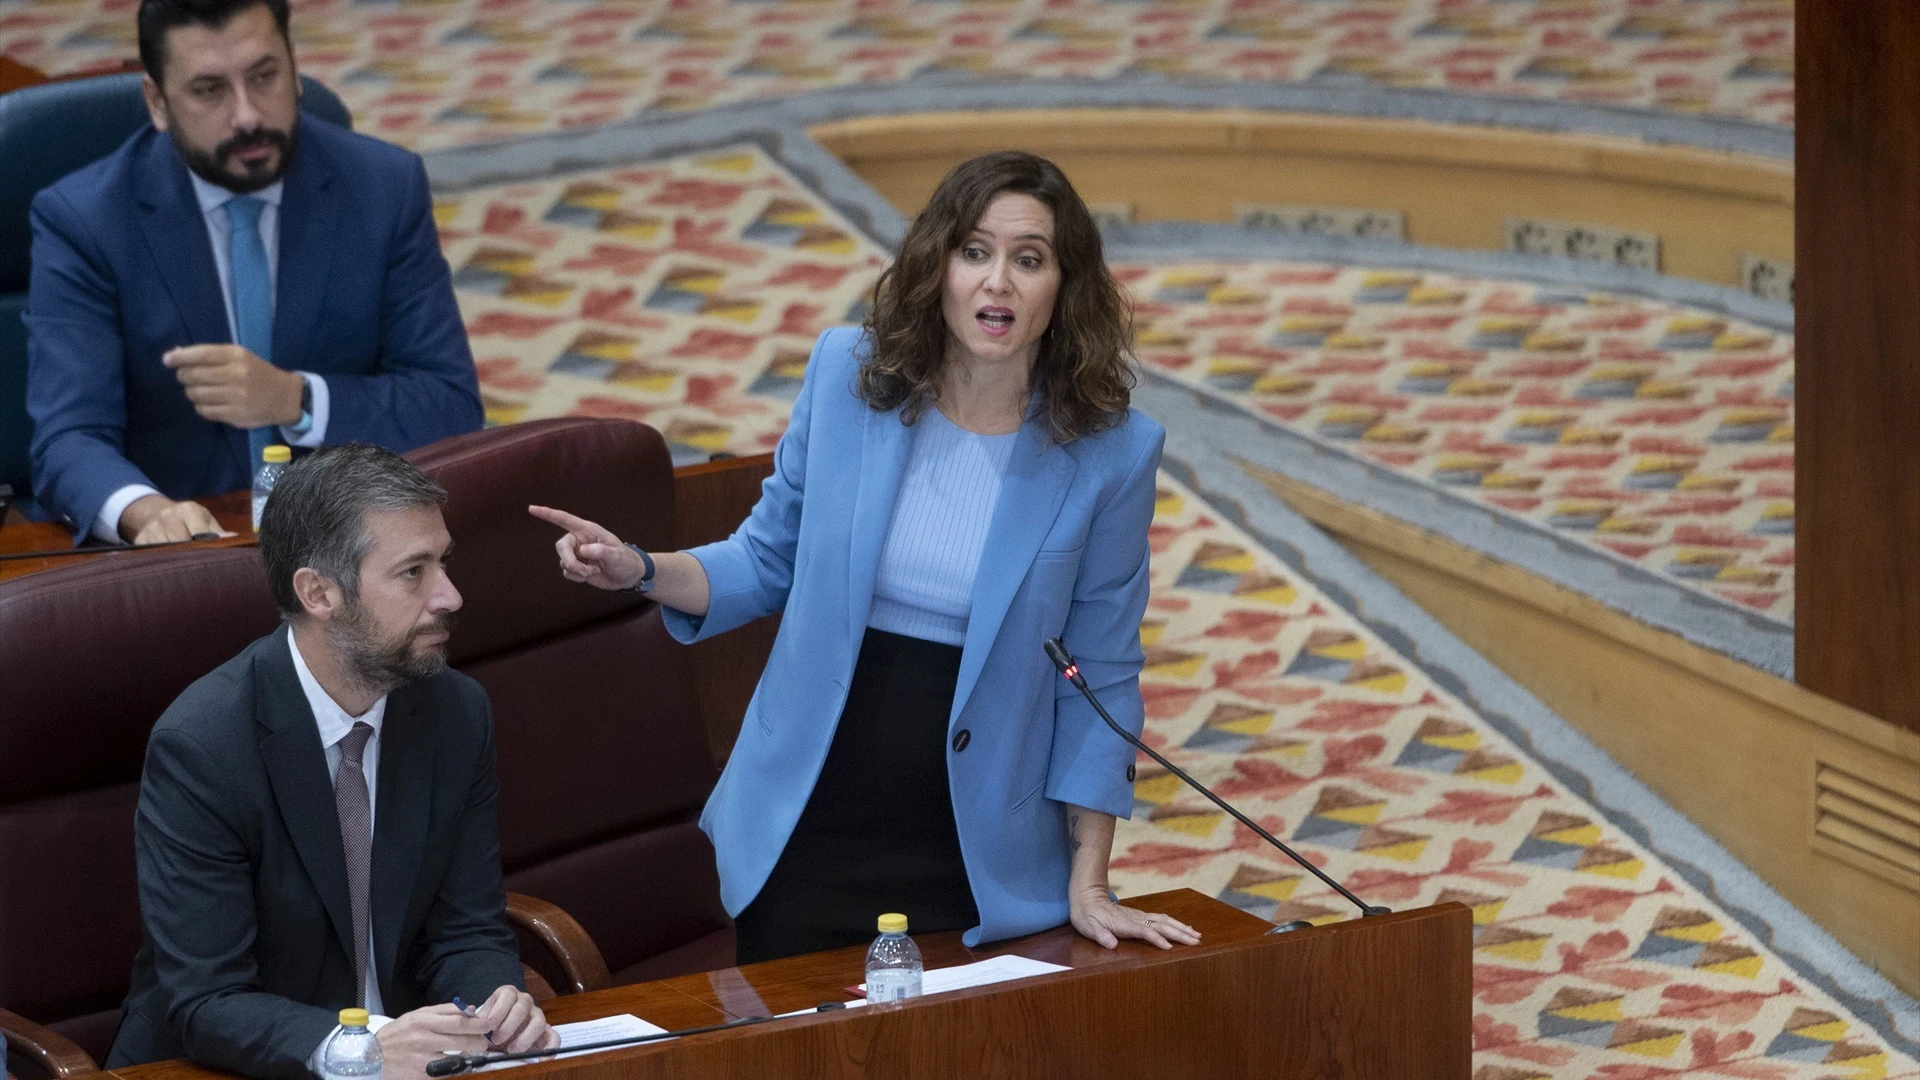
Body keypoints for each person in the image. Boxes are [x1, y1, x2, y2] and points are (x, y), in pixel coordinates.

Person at [531, 151, 1202, 963]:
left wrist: (1090, 880)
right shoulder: (849, 378)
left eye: (1029, 260)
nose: (998, 282)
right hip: (812, 810)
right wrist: (639, 568)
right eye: (974, 252)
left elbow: (1100, 674)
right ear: (938, 264)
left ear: (1065, 289)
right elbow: (765, 559)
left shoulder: (1113, 452)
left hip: (975, 837)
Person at [109, 444, 555, 1080]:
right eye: (413, 572)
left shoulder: (455, 713)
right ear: (319, 592)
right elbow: (208, 1001)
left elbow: (466, 930)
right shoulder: (202, 746)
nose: (450, 596)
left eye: (444, 563)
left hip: (415, 1062)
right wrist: (367, 1051)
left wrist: (493, 1008)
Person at [25, 0, 483, 548]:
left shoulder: (384, 186)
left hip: (350, 547)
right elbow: (68, 439)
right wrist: (147, 514)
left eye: (264, 77)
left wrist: (296, 399)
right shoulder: (86, 221)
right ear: (158, 102)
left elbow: (448, 402)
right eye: (210, 90)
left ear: (295, 69)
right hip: (186, 558)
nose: (247, 116)